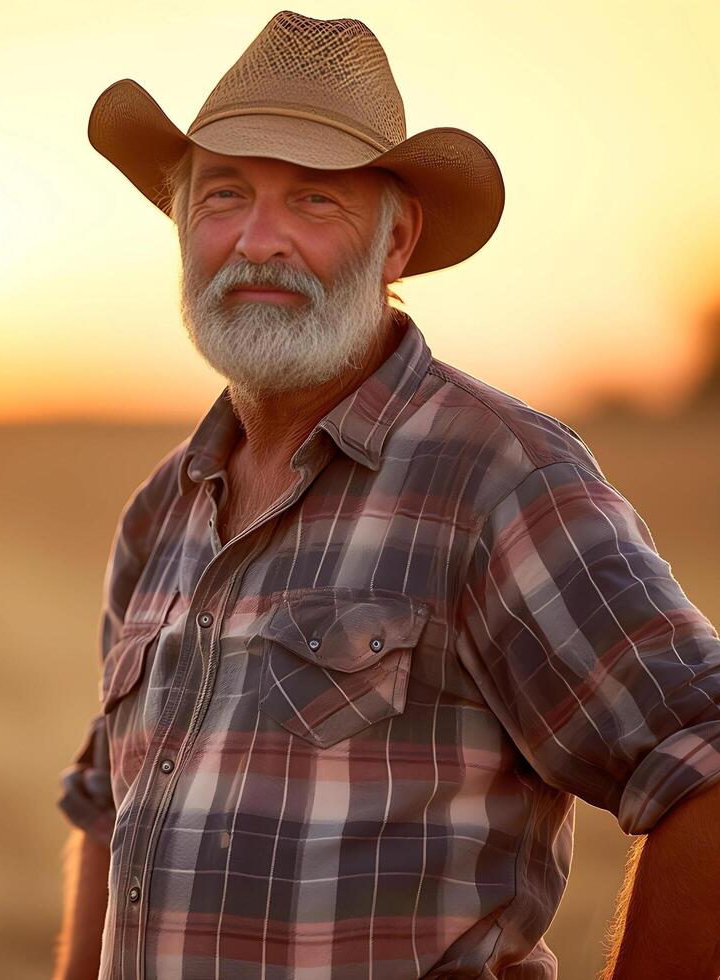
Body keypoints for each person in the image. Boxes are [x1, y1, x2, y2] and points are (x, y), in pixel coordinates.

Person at [53, 11, 720, 980]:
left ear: (395, 238)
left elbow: (702, 756)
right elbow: (107, 807)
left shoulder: (496, 476)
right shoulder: (163, 508)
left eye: (314, 202)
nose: (258, 239)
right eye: (223, 194)